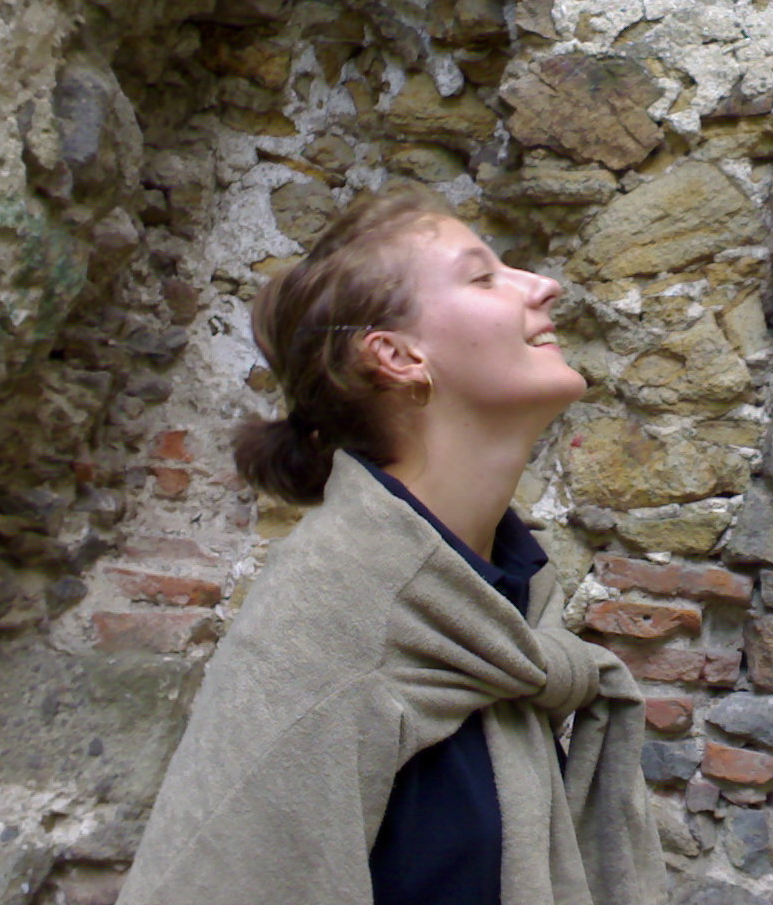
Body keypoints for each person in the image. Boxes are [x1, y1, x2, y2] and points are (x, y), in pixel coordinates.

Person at [116, 183, 664, 905]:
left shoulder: (505, 604)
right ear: (398, 356)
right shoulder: (325, 620)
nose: (545, 286)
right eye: (483, 277)